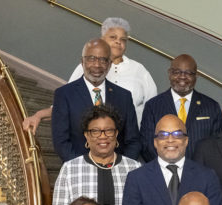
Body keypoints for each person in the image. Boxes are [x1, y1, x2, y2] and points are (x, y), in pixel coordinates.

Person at [23, 17, 157, 133]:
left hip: (127, 146)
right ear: (102, 39)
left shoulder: (140, 71)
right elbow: (65, 103)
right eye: (113, 37)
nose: (118, 42)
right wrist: (39, 115)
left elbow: (153, 112)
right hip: (88, 143)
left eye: (123, 39)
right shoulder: (86, 67)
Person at [50, 105, 141, 205]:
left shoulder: (134, 168)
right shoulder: (70, 168)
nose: (103, 136)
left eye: (109, 130)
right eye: (95, 131)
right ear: (86, 135)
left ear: (116, 134)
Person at [51, 38, 140, 162]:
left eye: (103, 60)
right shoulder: (64, 94)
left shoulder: (124, 96)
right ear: (82, 62)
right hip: (79, 171)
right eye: (91, 59)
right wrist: (83, 167)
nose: (97, 65)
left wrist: (121, 167)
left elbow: (133, 141)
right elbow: (61, 141)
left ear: (109, 64)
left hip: (117, 172)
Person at [139, 54, 222, 161]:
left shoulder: (211, 107)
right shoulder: (153, 106)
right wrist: (168, 168)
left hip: (200, 173)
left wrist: (197, 171)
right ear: (169, 73)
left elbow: (216, 146)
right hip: (162, 173)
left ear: (196, 75)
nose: (182, 76)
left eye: (188, 73)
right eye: (177, 72)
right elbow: (147, 144)